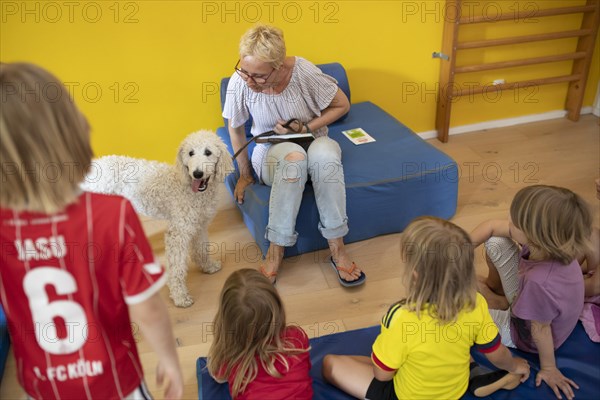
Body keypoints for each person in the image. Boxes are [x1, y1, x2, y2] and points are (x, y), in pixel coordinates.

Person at [0, 62, 183, 399]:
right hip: (113, 384)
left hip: (41, 388)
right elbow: (147, 307)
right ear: (70, 130)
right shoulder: (112, 214)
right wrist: (170, 360)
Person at [322, 217, 529, 399]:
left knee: (330, 364)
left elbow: (382, 375)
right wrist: (513, 365)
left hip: (406, 395)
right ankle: (475, 373)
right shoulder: (475, 303)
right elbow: (496, 353)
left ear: (415, 274)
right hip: (453, 391)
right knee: (452, 344)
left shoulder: (401, 317)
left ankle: (471, 372)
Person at [223, 24, 365, 286]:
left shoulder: (303, 72)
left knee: (325, 156)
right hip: (271, 150)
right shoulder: (241, 82)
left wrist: (306, 127)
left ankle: (338, 249)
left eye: (259, 76)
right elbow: (236, 130)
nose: (250, 81)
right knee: (295, 159)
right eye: (245, 71)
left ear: (278, 66)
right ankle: (275, 252)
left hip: (314, 138)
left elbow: (342, 104)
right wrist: (245, 175)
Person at [471, 185, 592, 400]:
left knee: (458, 315)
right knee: (496, 241)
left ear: (535, 235)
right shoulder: (551, 246)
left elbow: (541, 330)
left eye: (515, 222)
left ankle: (498, 304)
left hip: (523, 333)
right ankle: (498, 300)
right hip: (527, 300)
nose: (509, 221)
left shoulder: (540, 283)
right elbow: (492, 227)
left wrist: (548, 368)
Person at [207, 268, 312, 399]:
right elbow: (306, 368)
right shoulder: (296, 338)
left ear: (226, 322)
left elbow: (217, 375)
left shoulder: (231, 358)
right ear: (277, 307)